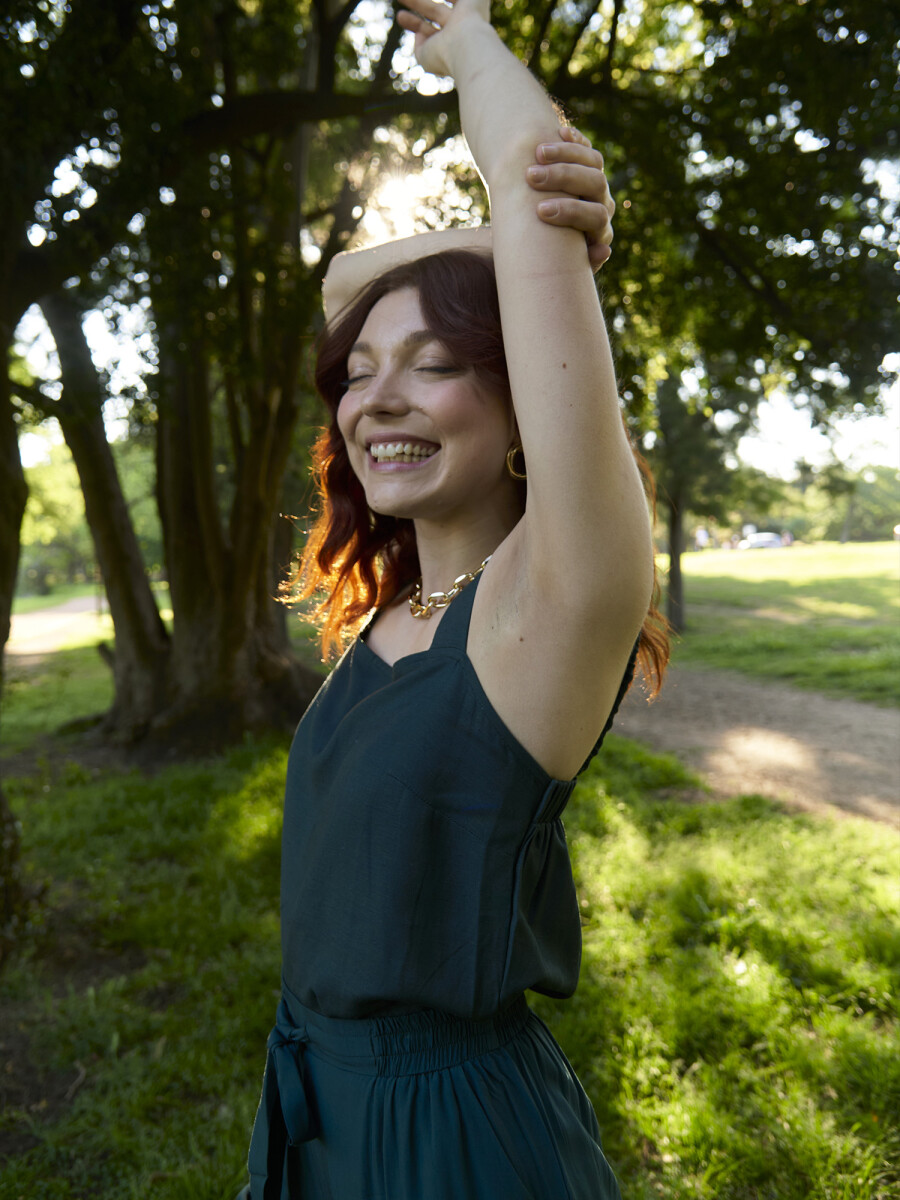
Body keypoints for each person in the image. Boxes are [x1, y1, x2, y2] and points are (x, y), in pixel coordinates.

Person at [240, 3, 668, 1197]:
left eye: (437, 365)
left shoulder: (547, 606)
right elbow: (344, 281)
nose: (378, 399)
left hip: (454, 1150)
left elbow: (533, 229)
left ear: (527, 403)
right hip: (321, 1122)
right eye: (361, 378)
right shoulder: (394, 620)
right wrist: (512, 249)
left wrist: (475, 52)